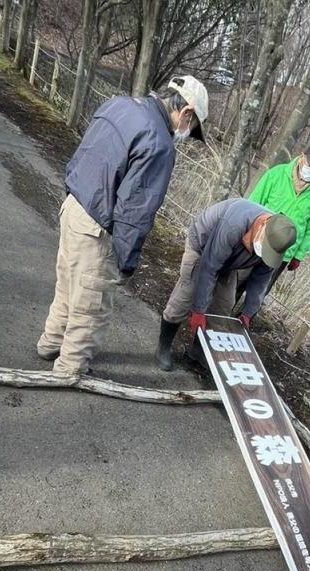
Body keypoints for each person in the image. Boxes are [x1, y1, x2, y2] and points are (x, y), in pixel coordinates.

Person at [37, 76, 209, 376]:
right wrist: (126, 261)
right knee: (91, 304)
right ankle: (69, 370)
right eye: (191, 127)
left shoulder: (120, 104)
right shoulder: (159, 143)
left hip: (74, 205)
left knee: (67, 284)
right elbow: (134, 210)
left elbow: (84, 151)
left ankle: (50, 342)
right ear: (186, 113)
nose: (186, 134)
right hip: (98, 225)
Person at [155, 199, 296, 371]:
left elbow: (261, 280)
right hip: (203, 248)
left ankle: (197, 351)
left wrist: (248, 313)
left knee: (223, 306)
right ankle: (164, 346)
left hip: (232, 260)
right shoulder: (234, 224)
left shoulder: (276, 243)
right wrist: (199, 310)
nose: (266, 253)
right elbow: (209, 267)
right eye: (265, 247)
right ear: (262, 226)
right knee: (187, 296)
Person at [246, 138, 310, 290]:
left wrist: (299, 255)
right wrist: (246, 230)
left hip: (283, 252)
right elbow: (253, 203)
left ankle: (245, 314)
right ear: (302, 157)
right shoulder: (276, 174)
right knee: (235, 283)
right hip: (257, 240)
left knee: (260, 291)